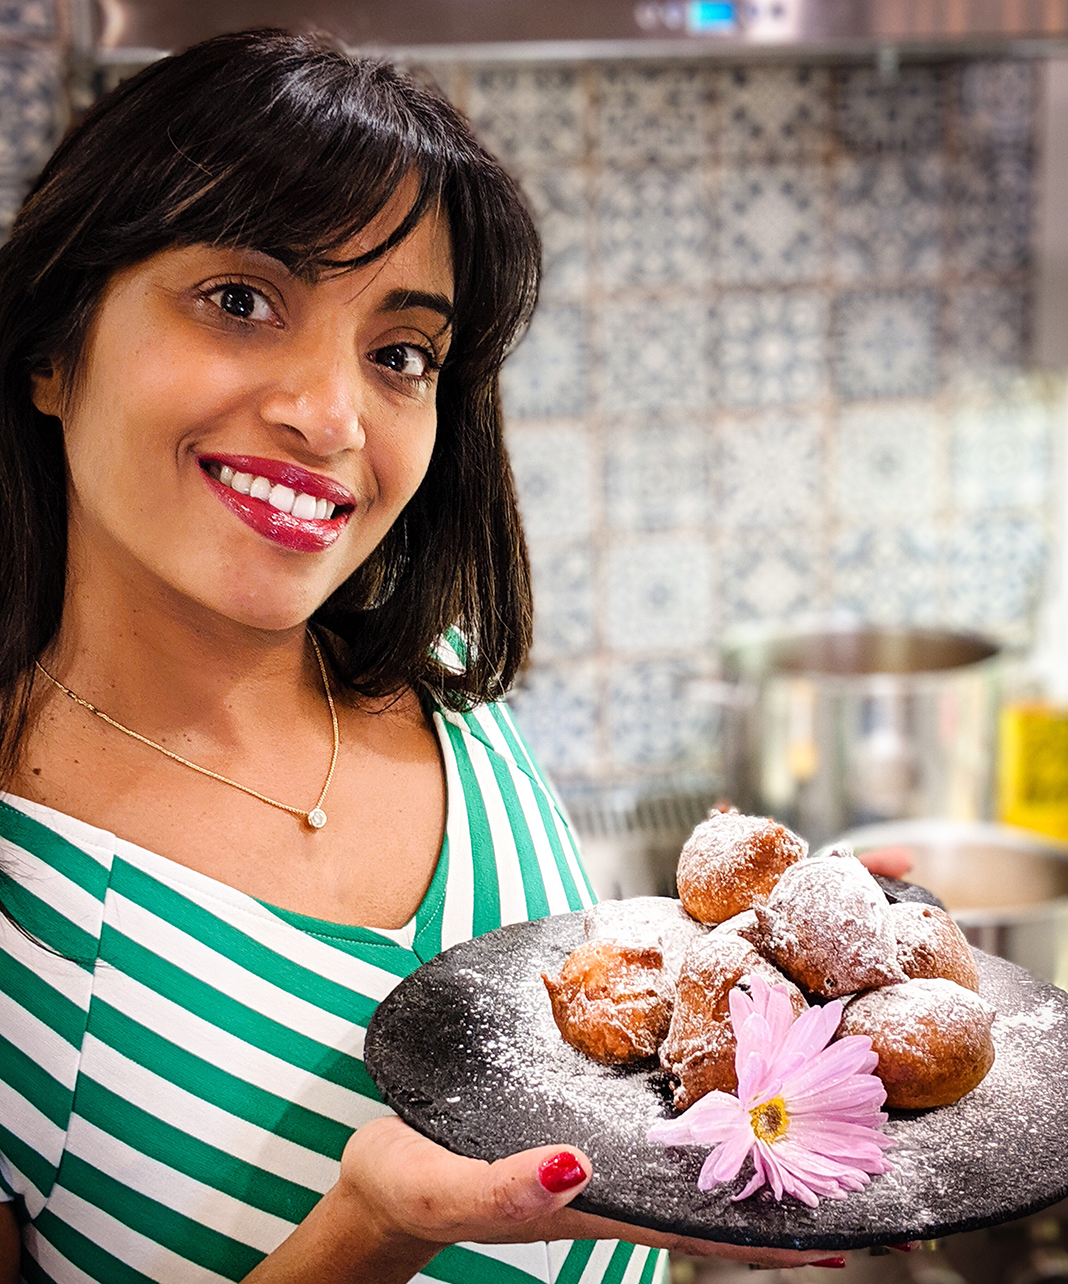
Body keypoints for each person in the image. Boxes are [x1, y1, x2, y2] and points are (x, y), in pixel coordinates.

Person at [0, 30, 913, 1283]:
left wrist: (768, 999)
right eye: (239, 300)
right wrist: (372, 1231)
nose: (331, 417)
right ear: (54, 345)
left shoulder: (439, 683)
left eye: (401, 354)